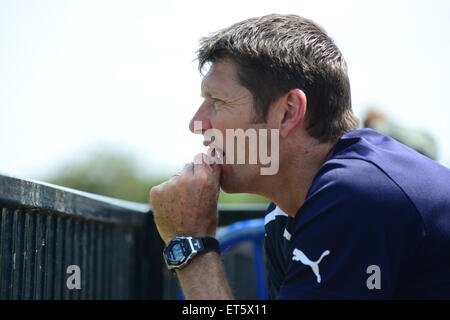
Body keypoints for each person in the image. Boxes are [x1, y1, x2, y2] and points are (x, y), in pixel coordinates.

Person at [149, 14, 450, 299]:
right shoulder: (285, 214)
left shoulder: (357, 195)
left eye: (217, 101)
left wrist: (192, 248)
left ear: (288, 112)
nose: (196, 123)